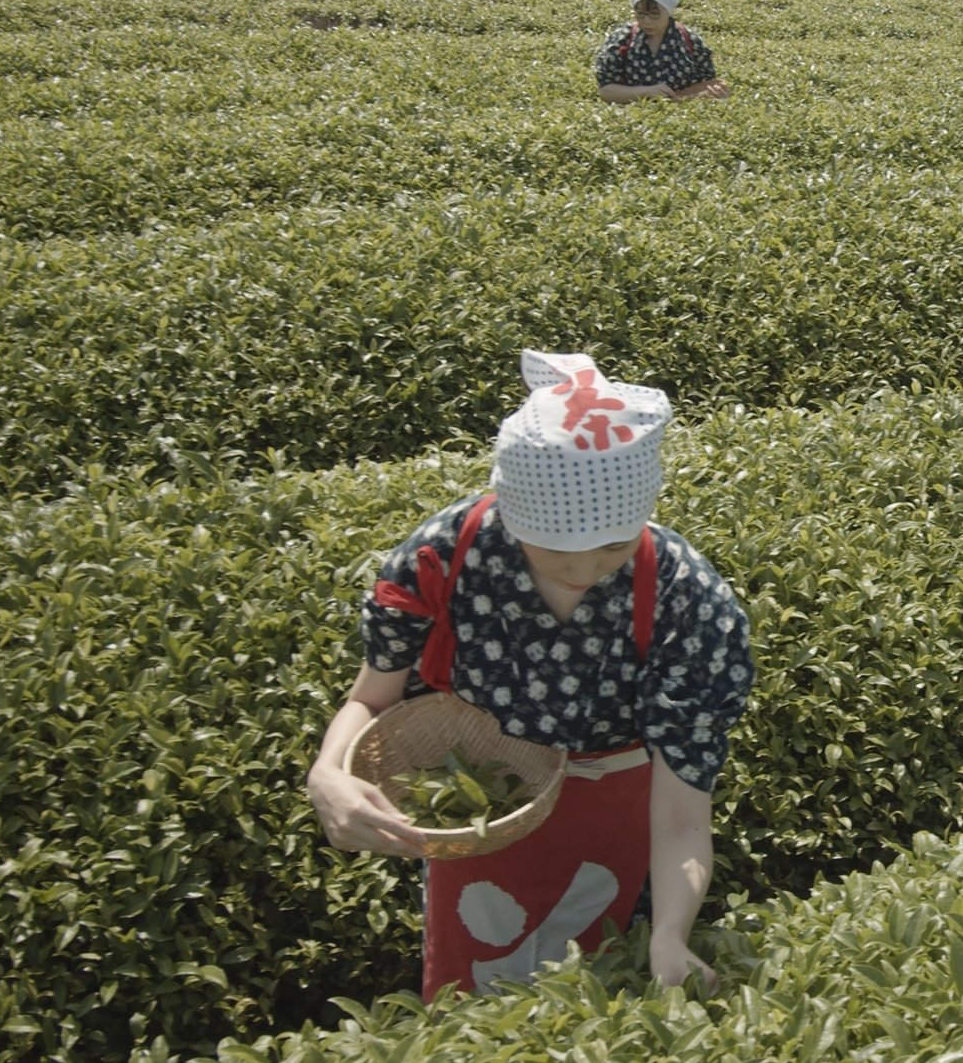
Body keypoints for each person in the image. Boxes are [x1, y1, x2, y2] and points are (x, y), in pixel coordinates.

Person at [307, 350, 755, 1000]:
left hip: (623, 809)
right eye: (554, 549)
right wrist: (328, 772)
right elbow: (370, 700)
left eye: (612, 546)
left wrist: (671, 935)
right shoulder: (445, 551)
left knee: (601, 985)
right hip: (486, 807)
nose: (582, 570)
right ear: (510, 512)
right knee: (478, 978)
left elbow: (684, 814)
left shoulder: (686, 597)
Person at [595, 0, 730, 104]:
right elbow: (606, 91)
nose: (647, 21)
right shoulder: (622, 38)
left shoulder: (690, 40)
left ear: (669, 11)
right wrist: (646, 92)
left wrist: (714, 91)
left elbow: (706, 83)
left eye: (654, 14)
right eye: (641, 14)